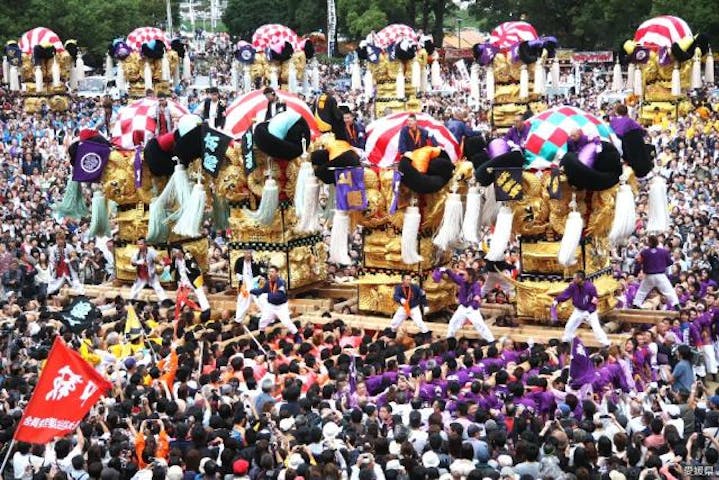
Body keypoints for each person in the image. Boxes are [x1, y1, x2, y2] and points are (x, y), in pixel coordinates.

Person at [552, 270, 610, 347]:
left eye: (574, 278)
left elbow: (594, 300)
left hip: (590, 311)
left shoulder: (590, 287)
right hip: (578, 310)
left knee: (596, 328)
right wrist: (557, 300)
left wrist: (589, 311)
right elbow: (566, 293)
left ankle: (606, 343)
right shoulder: (573, 286)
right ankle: (566, 340)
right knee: (569, 325)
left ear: (580, 279)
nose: (573, 279)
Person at [436, 267, 494, 341]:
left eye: (465, 275)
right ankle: (449, 338)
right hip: (463, 307)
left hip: (472, 308)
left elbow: (477, 293)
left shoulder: (476, 285)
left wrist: (477, 297)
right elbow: (454, 276)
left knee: (479, 324)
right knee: (453, 322)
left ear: (470, 276)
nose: (463, 276)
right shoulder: (462, 281)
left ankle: (491, 340)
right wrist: (446, 270)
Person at [633, 235, 679, 309]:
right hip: (660, 275)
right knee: (669, 291)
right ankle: (676, 305)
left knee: (642, 291)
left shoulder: (644, 252)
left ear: (649, 242)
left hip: (649, 275)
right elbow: (670, 262)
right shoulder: (663, 251)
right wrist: (662, 264)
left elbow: (638, 261)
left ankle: (636, 304)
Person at [249, 265, 298, 334]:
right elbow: (261, 291)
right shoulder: (268, 283)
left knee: (287, 322)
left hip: (281, 306)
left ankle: (297, 335)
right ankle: (261, 335)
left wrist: (268, 295)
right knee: (263, 321)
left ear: (277, 273)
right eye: (269, 272)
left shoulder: (281, 283)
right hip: (271, 306)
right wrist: (251, 290)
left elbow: (280, 295)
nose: (270, 274)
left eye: (272, 272)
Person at [170, 247, 209, 312]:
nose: (175, 254)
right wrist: (178, 282)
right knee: (181, 296)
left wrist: (187, 270)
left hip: (192, 279)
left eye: (175, 252)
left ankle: (206, 309)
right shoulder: (175, 259)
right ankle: (178, 309)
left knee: (199, 292)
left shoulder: (188, 256)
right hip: (182, 281)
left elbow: (195, 268)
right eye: (173, 253)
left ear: (180, 251)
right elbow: (173, 270)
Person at [129, 238, 168, 302]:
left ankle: (165, 302)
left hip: (151, 274)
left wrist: (161, 263)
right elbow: (132, 262)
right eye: (138, 244)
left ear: (145, 244)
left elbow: (156, 259)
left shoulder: (151, 251)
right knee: (135, 289)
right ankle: (131, 302)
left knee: (158, 288)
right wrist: (138, 262)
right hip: (141, 275)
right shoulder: (136, 252)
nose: (139, 246)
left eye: (141, 244)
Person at [234, 250, 265, 323]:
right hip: (245, 284)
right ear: (243, 253)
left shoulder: (256, 261)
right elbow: (237, 271)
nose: (248, 255)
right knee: (242, 301)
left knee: (260, 301)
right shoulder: (239, 261)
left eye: (250, 253)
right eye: (246, 253)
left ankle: (268, 317)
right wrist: (239, 277)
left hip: (255, 283)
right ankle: (238, 319)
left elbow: (261, 271)